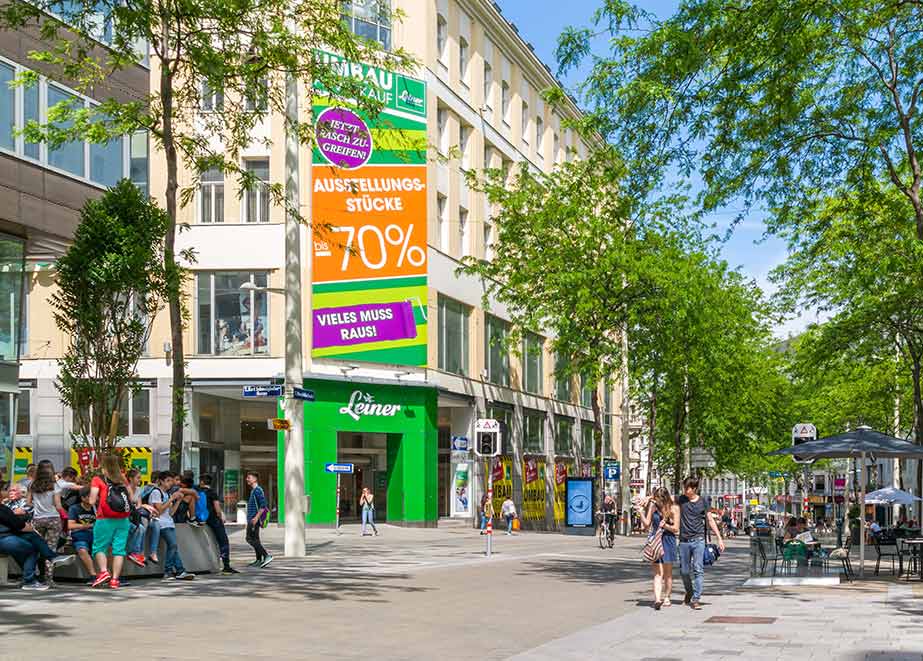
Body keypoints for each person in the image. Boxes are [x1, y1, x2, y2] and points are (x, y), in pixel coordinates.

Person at [0, 481, 73, 590]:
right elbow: (19, 525)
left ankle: (49, 560)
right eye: (7, 490)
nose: (8, 492)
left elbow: (16, 522)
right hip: (4, 538)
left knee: (30, 537)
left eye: (12, 490)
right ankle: (30, 580)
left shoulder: (6, 507)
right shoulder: (3, 508)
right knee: (32, 549)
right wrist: (28, 526)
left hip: (9, 535)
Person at [87, 455, 134, 589]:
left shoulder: (98, 479)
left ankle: (103, 572)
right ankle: (115, 580)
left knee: (99, 547)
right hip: (123, 519)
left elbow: (91, 500)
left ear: (103, 466)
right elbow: (131, 497)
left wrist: (100, 500)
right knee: (119, 550)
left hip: (104, 519)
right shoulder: (122, 479)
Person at [677, 476, 724, 610]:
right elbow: (664, 498)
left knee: (698, 569)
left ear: (694, 489)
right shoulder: (681, 499)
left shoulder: (703, 502)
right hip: (684, 541)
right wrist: (648, 498)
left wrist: (719, 538)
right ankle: (689, 591)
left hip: (698, 540)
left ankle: (696, 598)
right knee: (684, 571)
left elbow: (710, 520)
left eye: (688, 488)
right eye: (684, 488)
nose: (685, 490)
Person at [148, 471, 195, 581]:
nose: (170, 483)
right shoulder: (156, 492)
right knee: (173, 545)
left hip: (169, 523)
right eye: (167, 481)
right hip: (160, 523)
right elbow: (159, 511)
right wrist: (171, 499)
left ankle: (179, 571)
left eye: (171, 481)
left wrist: (177, 501)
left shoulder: (167, 494)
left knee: (173, 547)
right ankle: (170, 571)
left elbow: (171, 513)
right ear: (161, 481)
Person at [640, 486, 680, 610]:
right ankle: (657, 599)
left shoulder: (674, 508)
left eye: (658, 499)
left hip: (668, 539)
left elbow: (676, 529)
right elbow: (646, 524)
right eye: (655, 499)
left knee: (667, 573)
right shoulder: (653, 506)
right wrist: (640, 511)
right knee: (658, 573)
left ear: (664, 498)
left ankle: (667, 597)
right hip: (655, 540)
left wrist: (666, 526)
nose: (657, 502)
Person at [26, 463, 64, 586]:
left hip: (38, 520)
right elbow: (58, 505)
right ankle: (49, 579)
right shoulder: (55, 485)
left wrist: (38, 506)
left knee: (36, 548)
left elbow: (28, 502)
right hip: (53, 519)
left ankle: (35, 575)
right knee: (50, 549)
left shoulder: (32, 485)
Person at [198, 474, 238, 574]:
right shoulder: (212, 492)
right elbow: (217, 508)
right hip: (213, 519)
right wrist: (221, 517)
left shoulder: (197, 492)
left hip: (201, 519)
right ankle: (226, 565)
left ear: (202, 482)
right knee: (223, 540)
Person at [67, 486, 97, 579]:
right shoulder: (74, 508)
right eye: (90, 496)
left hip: (95, 536)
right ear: (83, 498)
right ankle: (93, 576)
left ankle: (110, 575)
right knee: (82, 550)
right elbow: (70, 525)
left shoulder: (96, 508)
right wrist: (88, 526)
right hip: (80, 536)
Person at [245, 471, 271, 568]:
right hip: (251, 519)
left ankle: (266, 555)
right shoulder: (253, 490)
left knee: (249, 539)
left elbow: (263, 506)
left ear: (255, 479)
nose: (247, 479)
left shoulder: (257, 490)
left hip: (254, 519)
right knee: (256, 539)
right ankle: (259, 560)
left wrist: (256, 518)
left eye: (249, 477)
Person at [125, 468, 149, 568]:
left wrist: (140, 506)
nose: (139, 480)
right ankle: (134, 552)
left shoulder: (138, 490)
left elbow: (139, 505)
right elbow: (129, 504)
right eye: (138, 478)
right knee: (140, 528)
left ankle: (138, 553)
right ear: (130, 478)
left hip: (134, 516)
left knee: (143, 525)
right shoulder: (126, 489)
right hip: (126, 518)